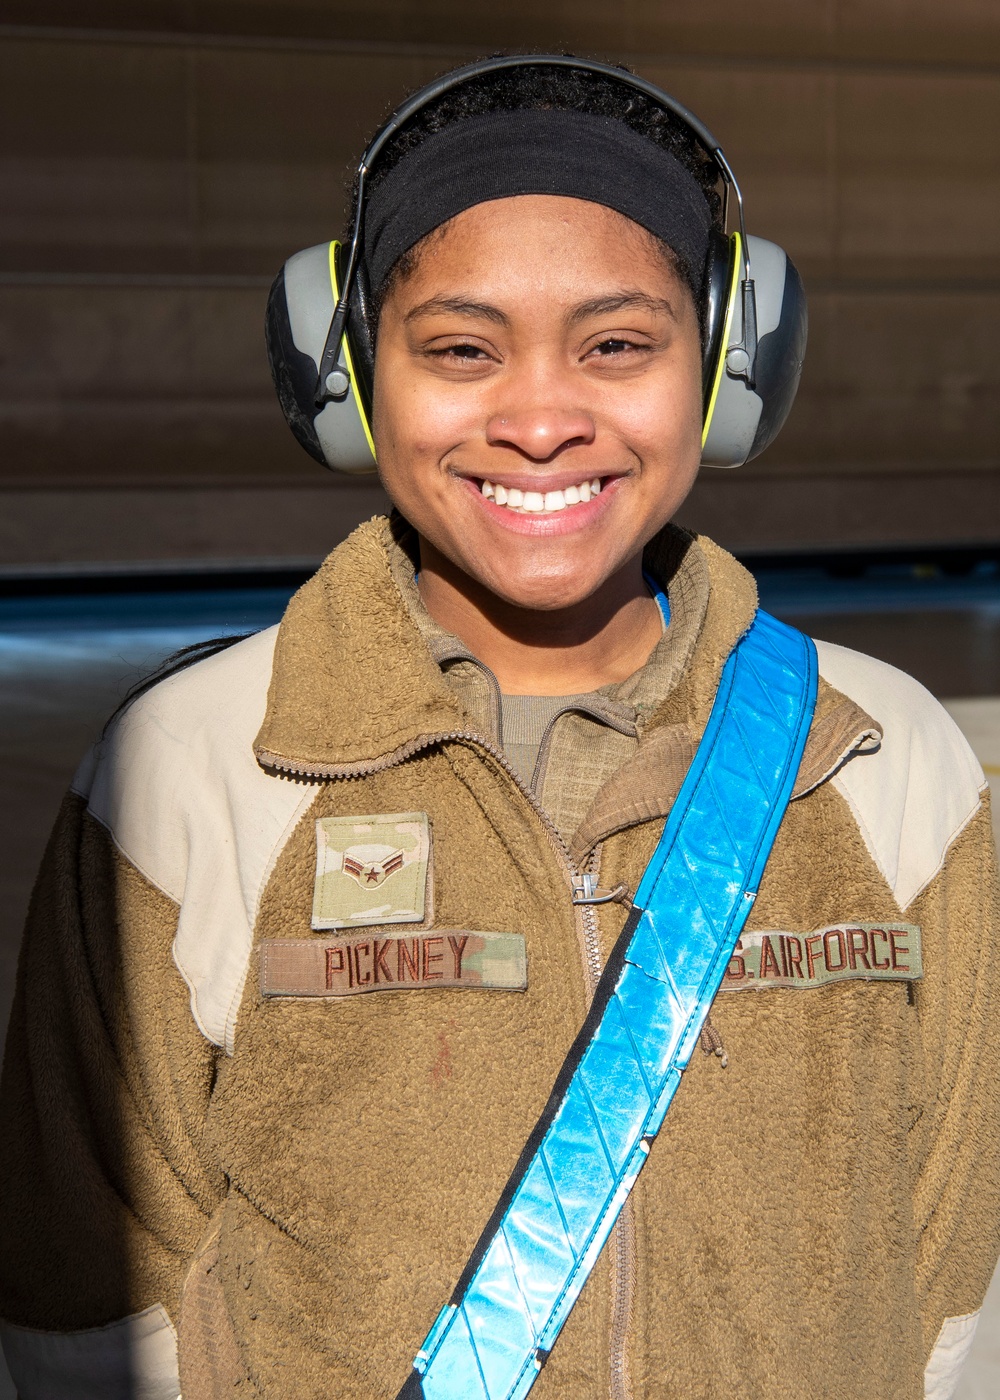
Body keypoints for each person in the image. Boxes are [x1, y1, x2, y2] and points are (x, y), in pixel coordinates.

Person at [1, 55, 998, 1400]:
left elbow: (961, 1278)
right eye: (461, 350)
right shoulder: (190, 769)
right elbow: (85, 1300)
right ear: (350, 377)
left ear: (727, 370)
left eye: (620, 346)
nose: (539, 419)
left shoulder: (884, 756)